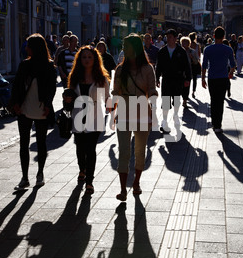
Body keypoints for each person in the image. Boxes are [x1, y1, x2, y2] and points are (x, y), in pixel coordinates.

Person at [112, 34, 158, 201]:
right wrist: (111, 105)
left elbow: (152, 89)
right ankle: (123, 189)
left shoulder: (147, 69)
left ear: (136, 48)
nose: (124, 49)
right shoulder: (120, 69)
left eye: (127, 46)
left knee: (140, 151)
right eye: (123, 46)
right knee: (124, 151)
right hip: (124, 113)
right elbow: (115, 91)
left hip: (142, 113)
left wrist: (153, 102)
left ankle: (137, 182)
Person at [9, 34, 57, 190]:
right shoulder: (24, 65)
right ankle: (24, 177)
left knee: (42, 142)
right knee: (24, 143)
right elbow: (16, 85)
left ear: (35, 47)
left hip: (42, 108)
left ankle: (40, 174)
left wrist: (48, 104)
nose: (26, 48)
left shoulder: (49, 66)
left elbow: (51, 88)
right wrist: (15, 103)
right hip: (24, 108)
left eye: (28, 45)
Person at [65, 46, 111, 195]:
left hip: (95, 117)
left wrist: (111, 107)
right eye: (84, 57)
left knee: (91, 150)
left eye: (89, 57)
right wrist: (67, 98)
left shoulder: (101, 78)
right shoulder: (75, 76)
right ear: (80, 59)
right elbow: (69, 94)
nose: (86, 59)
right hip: (78, 115)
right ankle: (82, 169)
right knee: (80, 148)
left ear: (95, 59)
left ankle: (89, 181)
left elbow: (107, 97)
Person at [155, 29, 191, 132]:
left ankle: (175, 116)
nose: (168, 39)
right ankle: (165, 121)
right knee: (165, 100)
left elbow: (187, 66)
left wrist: (188, 78)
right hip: (166, 79)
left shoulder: (181, 51)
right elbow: (159, 66)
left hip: (178, 79)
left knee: (176, 100)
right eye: (167, 37)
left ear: (175, 38)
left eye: (170, 37)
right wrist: (157, 78)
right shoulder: (162, 51)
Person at [201, 26, 236, 133]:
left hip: (212, 78)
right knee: (220, 101)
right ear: (224, 36)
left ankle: (214, 122)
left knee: (213, 100)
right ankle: (218, 125)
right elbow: (233, 65)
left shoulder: (208, 49)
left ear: (214, 36)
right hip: (223, 78)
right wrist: (230, 73)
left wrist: (203, 79)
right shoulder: (228, 49)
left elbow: (204, 65)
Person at [180, 36, 200, 102]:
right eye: (183, 42)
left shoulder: (192, 51)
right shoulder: (179, 51)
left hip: (189, 71)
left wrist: (192, 58)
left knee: (187, 85)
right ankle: (183, 97)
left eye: (185, 42)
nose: (184, 44)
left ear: (189, 43)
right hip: (180, 71)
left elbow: (196, 61)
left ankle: (185, 100)